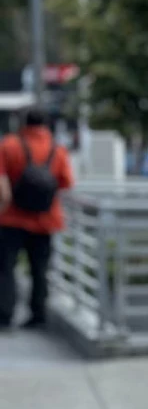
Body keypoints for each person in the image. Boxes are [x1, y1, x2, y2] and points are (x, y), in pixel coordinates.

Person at [0, 107, 74, 330]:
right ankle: (38, 316)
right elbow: (66, 182)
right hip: (46, 220)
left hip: (11, 219)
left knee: (6, 269)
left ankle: (5, 316)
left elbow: (2, 182)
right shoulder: (57, 149)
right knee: (40, 270)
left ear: (23, 123)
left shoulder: (9, 145)